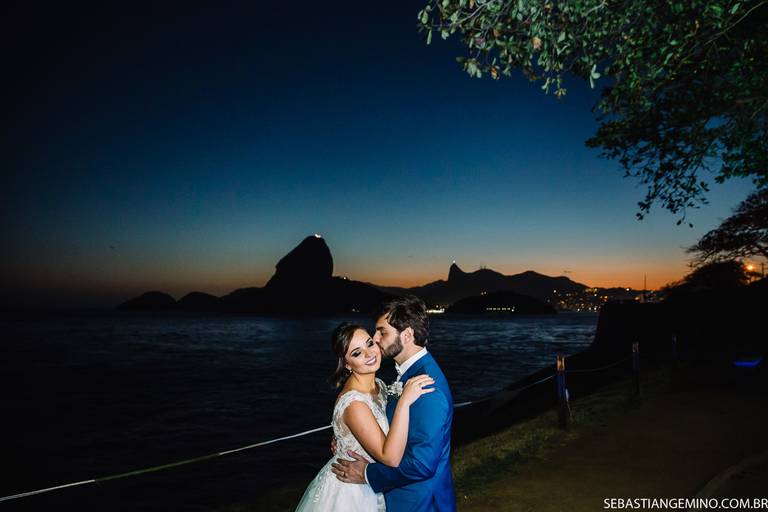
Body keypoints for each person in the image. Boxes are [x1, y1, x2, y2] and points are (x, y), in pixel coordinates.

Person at [331, 296, 457, 512]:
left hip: (420, 502)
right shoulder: (408, 375)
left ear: (407, 335)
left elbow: (421, 464)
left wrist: (367, 473)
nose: (375, 338)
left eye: (382, 332)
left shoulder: (427, 387)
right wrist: (348, 436)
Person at [295, 322, 435, 511]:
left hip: (371, 481)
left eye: (369, 343)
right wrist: (404, 403)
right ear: (347, 364)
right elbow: (391, 458)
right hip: (352, 492)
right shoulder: (354, 403)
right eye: (357, 353)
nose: (369, 354)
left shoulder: (379, 385)